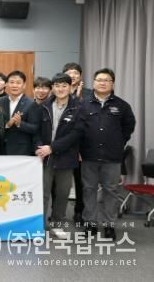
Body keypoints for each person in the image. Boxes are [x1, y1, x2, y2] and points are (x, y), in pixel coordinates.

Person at [50, 68, 136, 240]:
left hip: (112, 157)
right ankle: (90, 224)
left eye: (106, 80)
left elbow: (129, 127)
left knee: (111, 191)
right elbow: (76, 129)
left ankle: (109, 225)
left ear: (112, 83)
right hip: (87, 155)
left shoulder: (122, 105)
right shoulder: (82, 104)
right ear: (94, 82)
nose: (102, 83)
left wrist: (118, 143)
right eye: (99, 80)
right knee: (88, 190)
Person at [34, 73, 81, 238]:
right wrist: (39, 148)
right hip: (44, 156)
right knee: (43, 193)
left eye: (64, 86)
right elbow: (36, 131)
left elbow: (77, 133)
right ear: (52, 88)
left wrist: (52, 147)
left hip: (66, 157)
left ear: (70, 87)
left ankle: (57, 224)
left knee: (62, 193)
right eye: (57, 86)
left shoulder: (78, 107)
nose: (60, 89)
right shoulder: (43, 106)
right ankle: (39, 225)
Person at [62, 62, 91, 223]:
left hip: (81, 145)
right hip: (62, 144)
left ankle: (79, 211)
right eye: (69, 73)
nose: (72, 75)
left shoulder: (89, 94)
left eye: (75, 73)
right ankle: (57, 213)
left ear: (80, 76)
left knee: (81, 182)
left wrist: (78, 98)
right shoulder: (59, 91)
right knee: (59, 183)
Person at [0, 70, 41, 155]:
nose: (14, 85)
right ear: (6, 84)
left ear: (24, 85)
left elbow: (35, 128)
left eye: (18, 83)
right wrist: (7, 125)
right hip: (0, 148)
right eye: (12, 82)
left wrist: (20, 124)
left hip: (21, 150)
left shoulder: (31, 104)